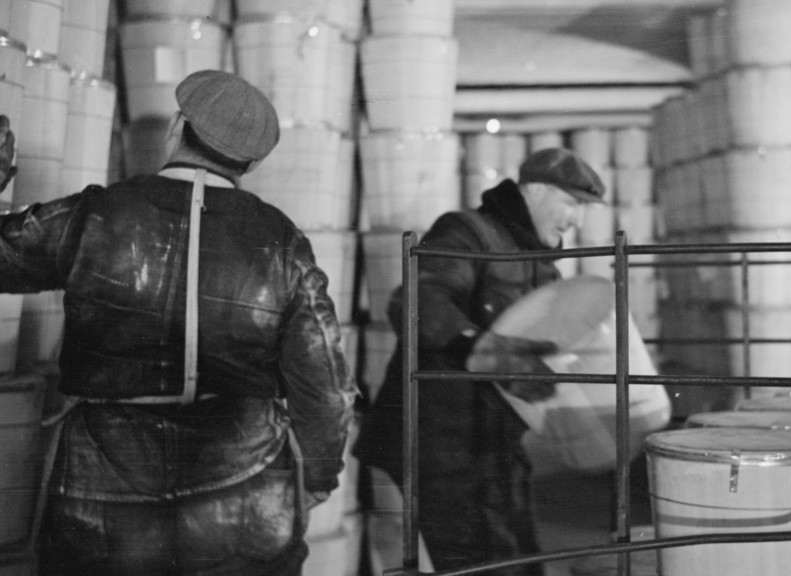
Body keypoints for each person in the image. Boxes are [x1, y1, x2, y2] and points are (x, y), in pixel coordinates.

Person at [0, 70, 358, 575]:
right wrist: (317, 476)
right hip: (243, 500)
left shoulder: (94, 215)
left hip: (102, 499)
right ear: (251, 163)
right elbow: (327, 389)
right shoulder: (283, 242)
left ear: (176, 126)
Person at [355, 147, 606, 575]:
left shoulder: (541, 265)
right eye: (571, 203)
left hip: (494, 443)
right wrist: (477, 346)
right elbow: (415, 299)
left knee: (523, 560)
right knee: (483, 563)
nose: (576, 221)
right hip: (440, 442)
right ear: (537, 190)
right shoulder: (468, 232)